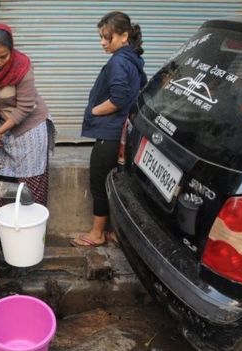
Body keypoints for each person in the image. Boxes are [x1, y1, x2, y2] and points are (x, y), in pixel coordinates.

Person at [71, 11, 147, 247]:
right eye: (101, 37)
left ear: (124, 36)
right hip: (123, 133)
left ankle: (96, 234)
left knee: (99, 183)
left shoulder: (118, 61)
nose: (103, 42)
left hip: (110, 133)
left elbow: (118, 98)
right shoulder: (132, 59)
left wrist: (93, 111)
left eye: (108, 37)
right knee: (116, 184)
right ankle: (116, 232)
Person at [0, 23, 55, 207]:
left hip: (28, 128)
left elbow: (25, 107)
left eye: (3, 57)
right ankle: (6, 228)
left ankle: (32, 229)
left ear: (11, 51)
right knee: (1, 178)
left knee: (30, 182)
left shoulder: (22, 66)